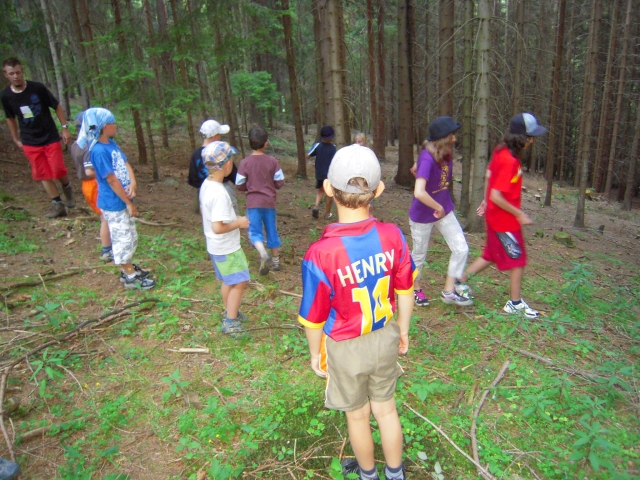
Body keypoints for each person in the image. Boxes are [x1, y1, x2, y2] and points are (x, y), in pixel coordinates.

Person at [299, 144, 415, 480]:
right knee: (386, 410)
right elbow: (406, 290)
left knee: (358, 415)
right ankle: (395, 473)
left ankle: (368, 474)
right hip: (384, 337)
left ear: (327, 188)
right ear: (379, 190)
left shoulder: (321, 254)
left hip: (346, 347)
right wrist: (403, 329)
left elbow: (313, 318)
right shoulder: (393, 236)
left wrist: (315, 353)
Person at [459, 112, 548, 318]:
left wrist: (485, 200)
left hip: (496, 217)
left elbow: (489, 174)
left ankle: (459, 281)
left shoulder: (502, 150)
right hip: (504, 221)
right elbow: (497, 196)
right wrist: (519, 214)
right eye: (530, 137)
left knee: (490, 254)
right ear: (521, 138)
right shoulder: (509, 160)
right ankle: (514, 303)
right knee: (518, 259)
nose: (533, 141)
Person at [77, 108, 155, 290]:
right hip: (114, 203)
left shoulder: (111, 144)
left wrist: (133, 183)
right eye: (113, 123)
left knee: (130, 235)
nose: (116, 126)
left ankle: (129, 267)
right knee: (122, 239)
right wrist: (128, 203)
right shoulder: (98, 151)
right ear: (105, 127)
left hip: (122, 200)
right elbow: (111, 180)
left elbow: (125, 163)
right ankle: (129, 276)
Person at [409, 116, 473, 307]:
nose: (455, 138)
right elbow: (419, 192)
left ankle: (449, 290)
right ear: (443, 138)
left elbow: (418, 168)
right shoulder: (427, 158)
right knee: (419, 254)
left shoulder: (445, 152)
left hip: (444, 210)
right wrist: (437, 206)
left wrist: (440, 206)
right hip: (423, 214)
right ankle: (415, 288)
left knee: (461, 248)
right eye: (452, 135)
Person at [1, 57, 75, 218]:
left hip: (49, 136)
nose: (16, 76)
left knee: (57, 169)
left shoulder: (37, 88)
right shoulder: (6, 95)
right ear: (6, 75)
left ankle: (67, 187)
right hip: (29, 140)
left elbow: (57, 106)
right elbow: (10, 118)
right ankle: (58, 204)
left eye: (18, 72)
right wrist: (15, 138)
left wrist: (64, 128)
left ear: (22, 72)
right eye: (12, 73)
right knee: (42, 173)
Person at [200, 141, 251, 336]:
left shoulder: (207, 185)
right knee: (239, 282)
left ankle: (230, 310)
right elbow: (218, 227)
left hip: (215, 246)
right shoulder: (220, 193)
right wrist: (238, 223)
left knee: (228, 281)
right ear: (227, 164)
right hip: (227, 247)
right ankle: (230, 321)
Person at [236, 126, 285, 275]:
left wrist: (248, 187)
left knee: (255, 231)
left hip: (253, 203)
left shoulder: (245, 163)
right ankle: (276, 261)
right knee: (272, 230)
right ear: (266, 143)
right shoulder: (272, 161)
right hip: (269, 202)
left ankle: (263, 253)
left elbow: (239, 183)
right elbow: (280, 181)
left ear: (249, 142)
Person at [70, 112, 113, 262]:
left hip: (87, 185)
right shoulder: (89, 146)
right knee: (105, 217)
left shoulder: (76, 145)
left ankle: (110, 247)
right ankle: (107, 250)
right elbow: (90, 170)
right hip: (95, 183)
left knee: (105, 217)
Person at [187, 120, 239, 215]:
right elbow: (235, 177)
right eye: (219, 135)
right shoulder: (221, 152)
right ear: (215, 136)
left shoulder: (195, 154)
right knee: (230, 216)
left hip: (204, 191)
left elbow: (193, 179)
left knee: (210, 217)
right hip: (223, 189)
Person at [306, 125, 337, 219]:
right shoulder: (333, 148)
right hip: (330, 175)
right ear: (332, 137)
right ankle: (327, 213)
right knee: (329, 194)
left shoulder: (317, 146)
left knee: (320, 190)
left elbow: (307, 155)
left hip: (319, 173)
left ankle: (316, 206)